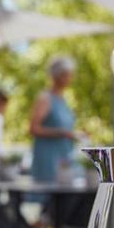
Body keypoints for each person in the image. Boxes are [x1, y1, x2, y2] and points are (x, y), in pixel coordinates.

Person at [29, 56, 78, 184]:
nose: (70, 78)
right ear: (57, 76)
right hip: (48, 160)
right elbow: (34, 129)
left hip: (64, 158)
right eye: (67, 75)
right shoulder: (45, 99)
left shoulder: (63, 100)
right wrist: (61, 132)